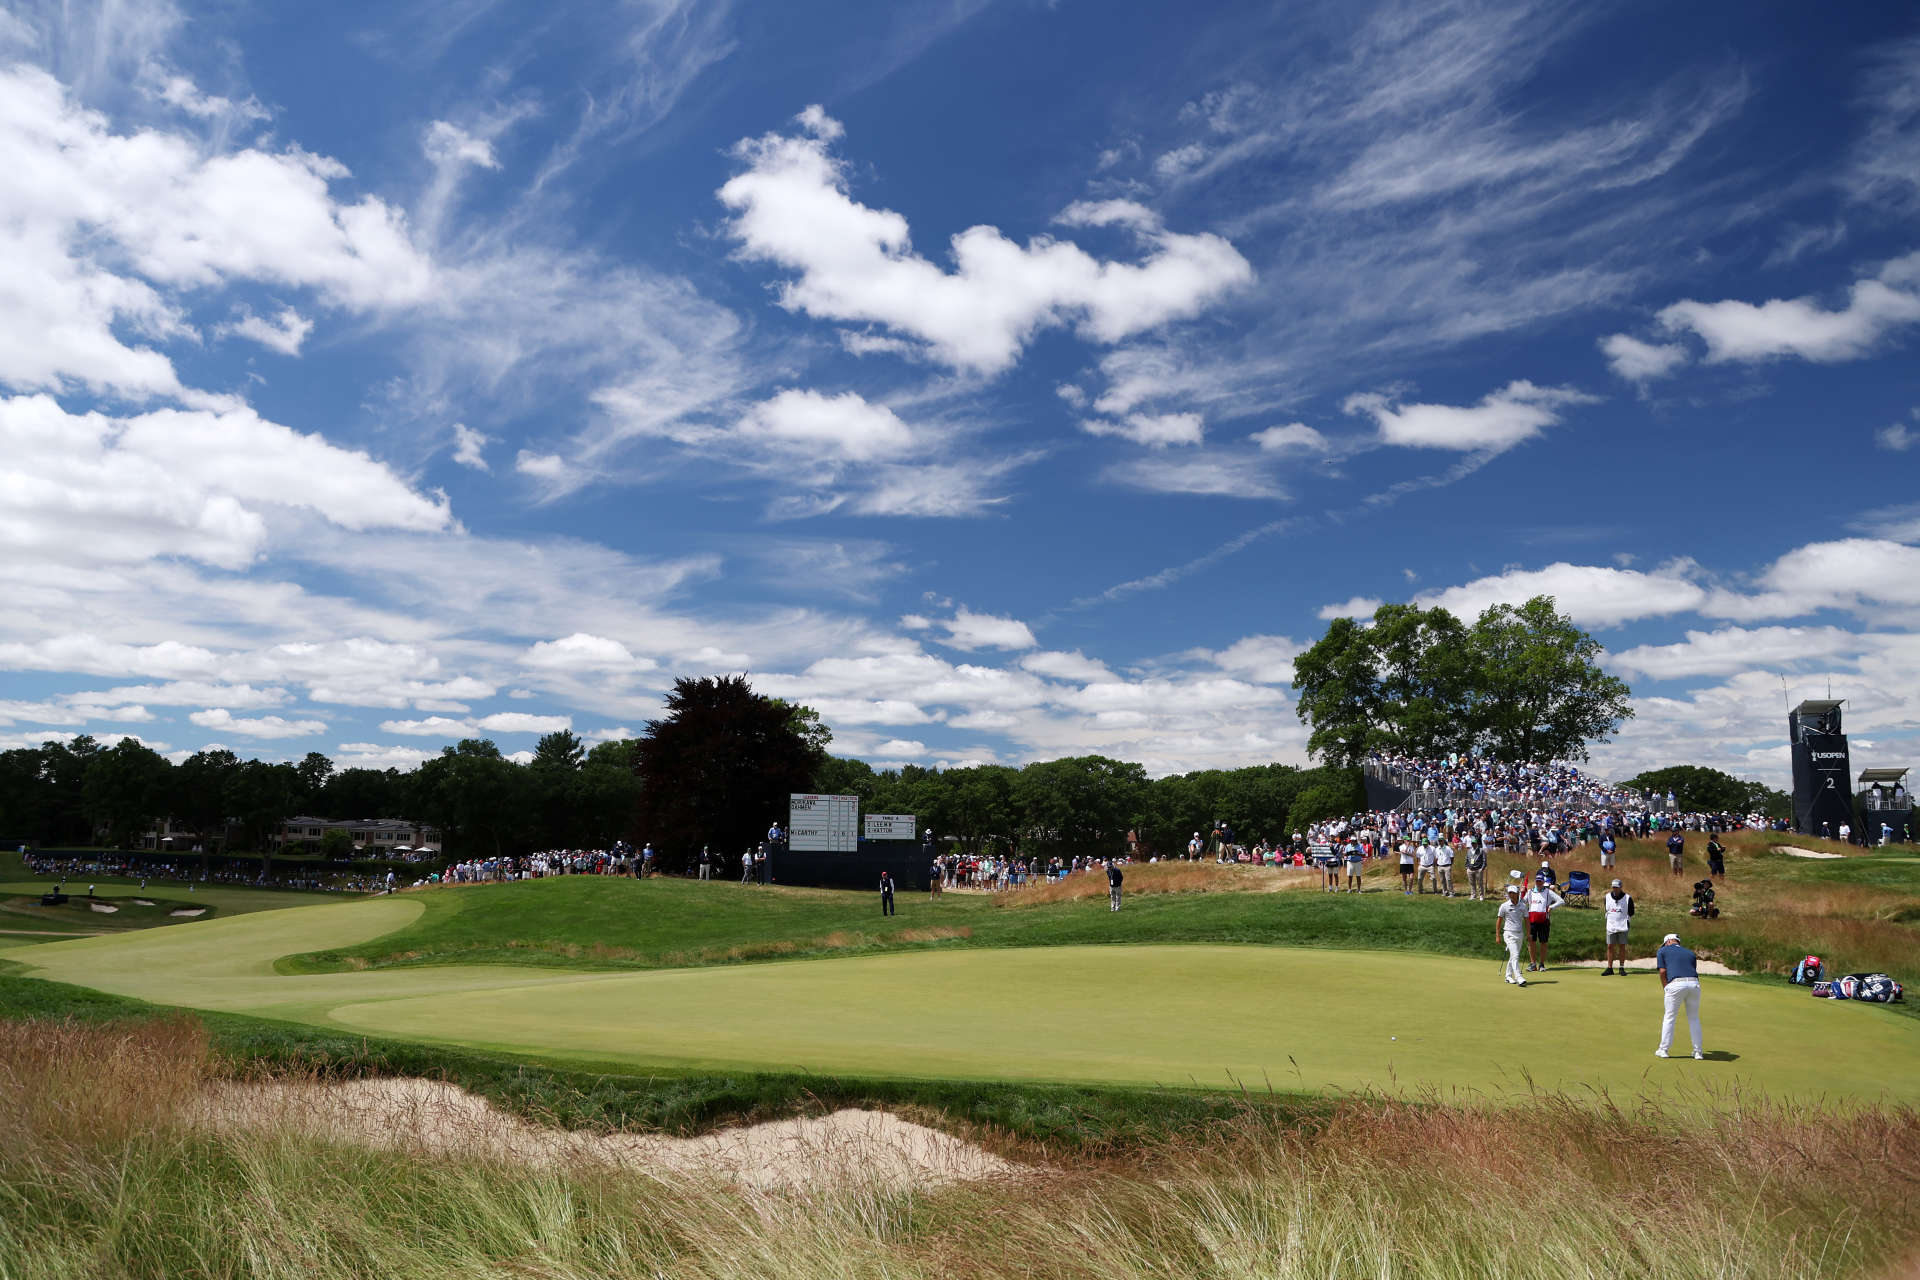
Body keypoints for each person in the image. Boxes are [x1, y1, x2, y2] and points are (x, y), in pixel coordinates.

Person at [1655, 931, 1705, 1059]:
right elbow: (1691, 970)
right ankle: (1698, 1052)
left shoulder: (1662, 951)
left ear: (1668, 941)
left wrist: (1665, 987)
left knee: (1670, 1017)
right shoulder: (1690, 953)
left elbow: (1662, 972)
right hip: (1694, 985)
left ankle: (1663, 1050)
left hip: (1675, 985)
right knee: (1694, 1018)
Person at [1524, 873, 1565, 971]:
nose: (1538, 883)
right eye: (1537, 881)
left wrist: (1551, 907)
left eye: (1540, 881)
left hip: (1544, 920)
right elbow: (1522, 902)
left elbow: (1561, 901)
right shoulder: (1530, 892)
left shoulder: (1548, 892)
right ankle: (1533, 964)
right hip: (1532, 920)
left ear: (1543, 882)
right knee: (1531, 942)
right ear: (1535, 881)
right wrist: (1521, 893)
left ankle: (1541, 964)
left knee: (1543, 942)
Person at [1496, 881, 1528, 986]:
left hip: (1519, 934)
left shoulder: (1523, 906)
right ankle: (1519, 977)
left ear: (1517, 893)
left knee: (1513, 956)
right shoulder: (1504, 906)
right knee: (1515, 955)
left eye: (1513, 893)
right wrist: (1497, 935)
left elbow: (1527, 921)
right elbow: (1499, 921)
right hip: (1508, 934)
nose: (1511, 894)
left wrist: (1529, 934)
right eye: (1509, 893)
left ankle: (1508, 976)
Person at [1602, 878, 1634, 975]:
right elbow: (1606, 909)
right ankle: (1610, 968)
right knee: (1610, 946)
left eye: (1617, 887)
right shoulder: (1607, 897)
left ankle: (1621, 967)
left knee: (1622, 946)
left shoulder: (1628, 898)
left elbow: (1631, 912)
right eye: (1614, 887)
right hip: (1611, 925)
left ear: (1621, 887)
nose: (1615, 889)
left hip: (1623, 925)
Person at [1464, 835, 1488, 900]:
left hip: (1478, 869)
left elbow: (1484, 860)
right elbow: (1466, 859)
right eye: (1472, 843)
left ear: (1477, 843)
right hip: (1470, 869)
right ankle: (1473, 895)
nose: (1473, 844)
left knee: (1480, 883)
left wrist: (1482, 869)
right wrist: (1467, 867)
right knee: (1472, 883)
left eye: (1474, 843)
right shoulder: (1469, 850)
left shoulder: (1481, 850)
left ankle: (1481, 896)